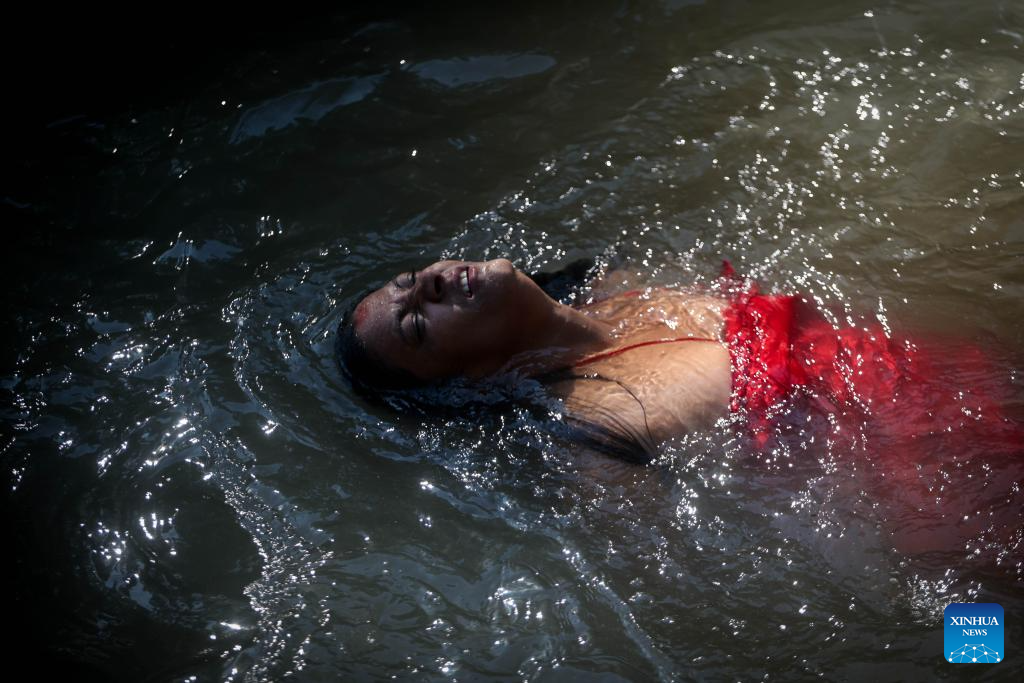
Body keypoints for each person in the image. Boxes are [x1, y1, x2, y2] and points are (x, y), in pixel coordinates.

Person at [336, 257, 1023, 466]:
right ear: (471, 379)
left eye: (408, 283)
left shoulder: (615, 283)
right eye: (417, 324)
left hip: (951, 376)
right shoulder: (602, 430)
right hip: (931, 476)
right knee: (991, 637)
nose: (427, 285)